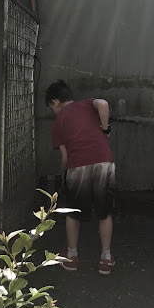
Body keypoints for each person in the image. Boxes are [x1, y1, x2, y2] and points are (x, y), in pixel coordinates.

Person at [45, 80, 117, 275]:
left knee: (73, 212)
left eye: (52, 108)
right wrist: (105, 130)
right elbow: (103, 103)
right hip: (104, 161)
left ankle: (72, 256)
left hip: (77, 164)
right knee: (104, 212)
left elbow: (65, 157)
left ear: (56, 102)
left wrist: (64, 175)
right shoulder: (87, 104)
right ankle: (105, 258)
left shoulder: (58, 121)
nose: (54, 111)